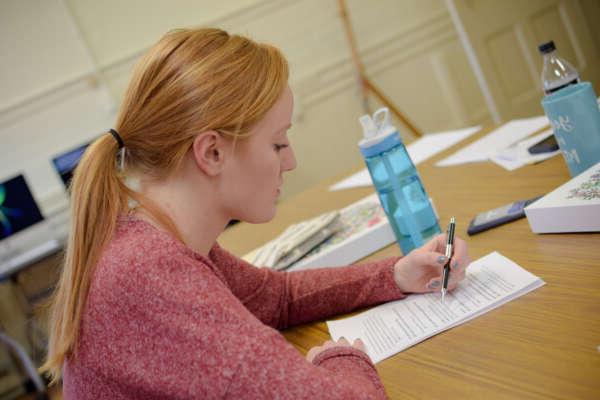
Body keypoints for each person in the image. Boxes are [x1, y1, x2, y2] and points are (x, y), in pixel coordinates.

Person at [42, 28, 470, 399]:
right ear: (211, 152)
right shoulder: (148, 273)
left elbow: (274, 298)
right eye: (278, 143)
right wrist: (345, 358)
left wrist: (395, 274)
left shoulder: (155, 237)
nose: (291, 162)